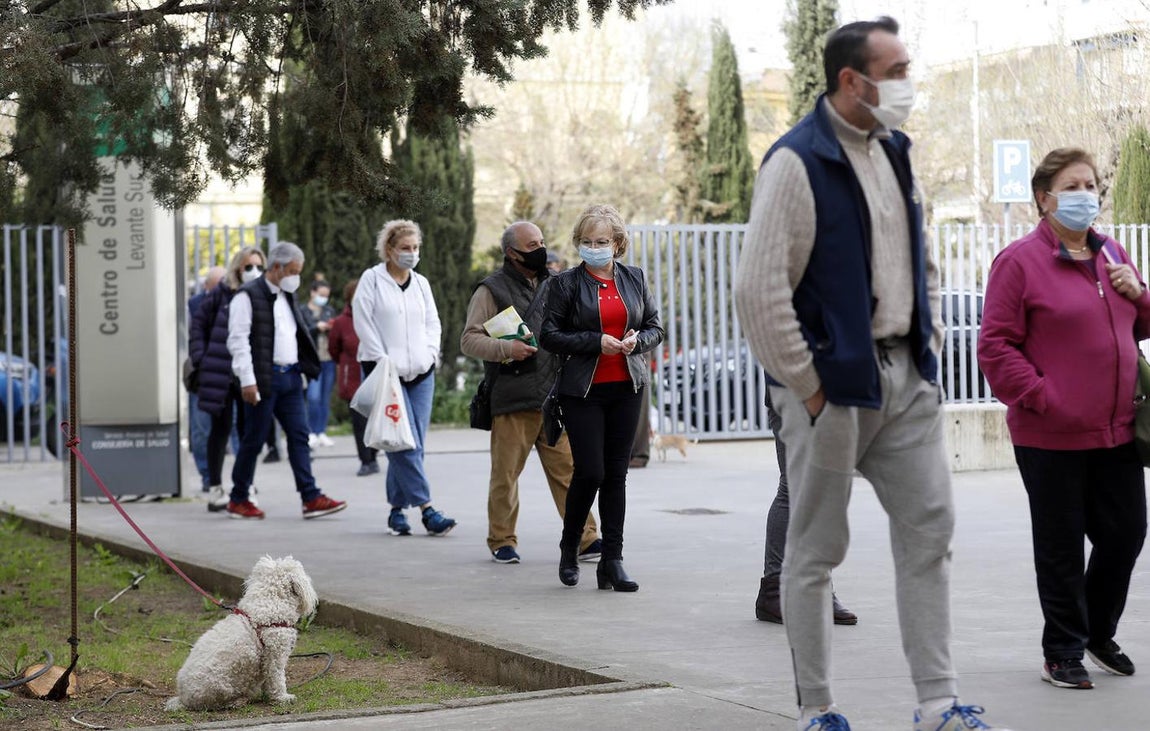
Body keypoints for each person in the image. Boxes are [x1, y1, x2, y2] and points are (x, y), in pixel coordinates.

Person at [733, 17, 1008, 731]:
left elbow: (921, 259)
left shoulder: (896, 151)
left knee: (930, 531)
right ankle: (817, 709)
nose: (909, 83)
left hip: (905, 379)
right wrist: (810, 388)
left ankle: (938, 704)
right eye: (897, 69)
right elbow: (758, 290)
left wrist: (930, 348)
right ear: (852, 80)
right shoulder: (796, 161)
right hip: (830, 390)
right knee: (817, 550)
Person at [978, 147, 1149, 691]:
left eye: (1092, 184)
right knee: (1060, 545)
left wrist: (1138, 293)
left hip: (1116, 428)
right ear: (1043, 198)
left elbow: (1137, 327)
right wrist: (1040, 394)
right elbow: (995, 346)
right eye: (1072, 185)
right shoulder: (1019, 262)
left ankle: (1097, 632)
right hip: (1050, 432)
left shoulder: (1112, 253)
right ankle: (1063, 650)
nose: (1086, 194)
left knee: (1125, 534)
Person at [460, 221, 602, 564]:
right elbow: (469, 339)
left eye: (541, 241)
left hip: (554, 397)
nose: (539, 248)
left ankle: (585, 538)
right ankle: (502, 540)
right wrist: (507, 350)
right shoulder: (490, 290)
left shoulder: (556, 284)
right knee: (505, 476)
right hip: (512, 399)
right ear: (511, 252)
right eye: (531, 244)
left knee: (570, 472)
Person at [539, 204, 663, 591]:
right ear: (578, 243)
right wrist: (596, 342)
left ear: (617, 242)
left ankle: (613, 559)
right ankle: (569, 546)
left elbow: (655, 327)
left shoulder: (635, 278)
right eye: (587, 241)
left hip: (627, 387)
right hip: (583, 389)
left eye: (602, 241)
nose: (594, 247)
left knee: (616, 475)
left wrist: (635, 341)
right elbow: (549, 335)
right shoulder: (565, 284)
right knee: (590, 471)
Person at [224, 241, 347, 520]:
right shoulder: (247, 296)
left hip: (290, 377)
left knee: (299, 437)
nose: (296, 276)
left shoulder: (287, 295)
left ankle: (310, 496)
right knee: (254, 440)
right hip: (263, 379)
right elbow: (238, 340)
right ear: (276, 267)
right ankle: (238, 498)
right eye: (292, 270)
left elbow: (294, 334)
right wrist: (247, 380)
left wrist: (304, 368)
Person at [353, 220, 456, 537]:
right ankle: (427, 510)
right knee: (402, 441)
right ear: (389, 250)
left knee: (414, 443)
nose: (411, 254)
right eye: (405, 249)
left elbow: (432, 322)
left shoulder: (421, 283)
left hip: (421, 372)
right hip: (386, 373)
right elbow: (363, 321)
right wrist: (382, 359)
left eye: (415, 248)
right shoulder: (372, 280)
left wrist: (430, 354)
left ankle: (397, 511)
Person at [755, 396, 857, 626]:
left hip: (830, 397)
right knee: (793, 486)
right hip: (792, 395)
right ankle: (773, 592)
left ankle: (818, 590)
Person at [191, 249, 265, 512]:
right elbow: (198, 326)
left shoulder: (262, 295)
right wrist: (201, 358)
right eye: (248, 266)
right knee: (219, 431)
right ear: (237, 268)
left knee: (248, 431)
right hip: (220, 371)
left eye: (258, 265)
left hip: (249, 372)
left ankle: (245, 485)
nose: (253, 271)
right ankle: (215, 487)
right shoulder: (219, 295)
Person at [327, 278, 379, 476]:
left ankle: (374, 455)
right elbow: (334, 349)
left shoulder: (376, 317)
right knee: (359, 423)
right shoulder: (341, 322)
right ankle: (365, 461)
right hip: (354, 379)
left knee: (376, 421)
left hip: (376, 377)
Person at [187, 266, 226, 492]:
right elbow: (193, 339)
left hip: (226, 374)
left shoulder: (236, 300)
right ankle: (207, 476)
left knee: (229, 428)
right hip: (204, 374)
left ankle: (236, 479)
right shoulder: (194, 306)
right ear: (206, 286)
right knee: (202, 429)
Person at [301, 279, 338, 448]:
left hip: (328, 360)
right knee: (313, 397)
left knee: (325, 398)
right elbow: (302, 333)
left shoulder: (329, 311)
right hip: (313, 361)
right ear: (313, 292)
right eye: (321, 295)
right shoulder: (303, 311)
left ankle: (320, 431)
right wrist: (317, 328)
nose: (324, 298)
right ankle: (310, 432)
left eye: (326, 296)